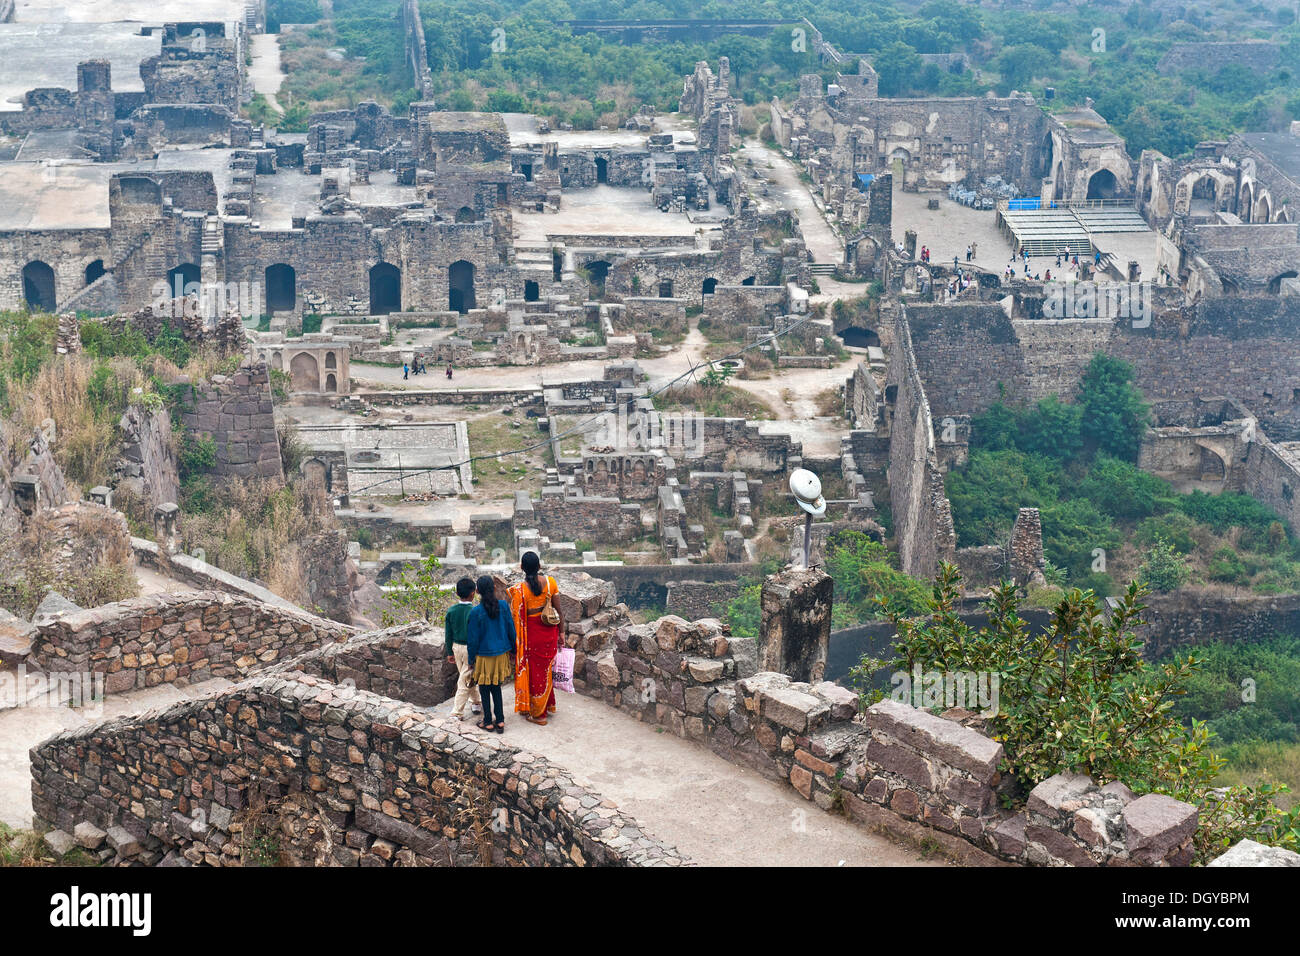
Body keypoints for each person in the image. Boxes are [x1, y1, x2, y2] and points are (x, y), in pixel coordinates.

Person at [510, 551, 565, 725]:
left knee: (535, 674)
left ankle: (538, 714)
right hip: (549, 632)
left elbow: (516, 618)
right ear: (539, 566)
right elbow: (559, 611)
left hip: (531, 636)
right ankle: (546, 705)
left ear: (521, 568)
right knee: (546, 670)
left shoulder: (519, 590)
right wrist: (562, 632)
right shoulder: (550, 583)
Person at [466, 575, 516, 734]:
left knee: (484, 689)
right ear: (494, 588)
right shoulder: (503, 606)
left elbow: (473, 640)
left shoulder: (475, 612)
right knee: (496, 687)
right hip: (501, 655)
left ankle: (487, 721)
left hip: (483, 656)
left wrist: (471, 660)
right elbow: (511, 630)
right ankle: (500, 721)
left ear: (477, 591)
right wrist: (514, 651)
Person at [443, 577, 480, 719]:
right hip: (470, 648)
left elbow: (448, 633)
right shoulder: (475, 611)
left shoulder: (451, 611)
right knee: (466, 679)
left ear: (457, 593)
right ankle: (458, 712)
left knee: (465, 677)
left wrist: (449, 652)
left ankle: (475, 702)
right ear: (473, 593)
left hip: (456, 648)